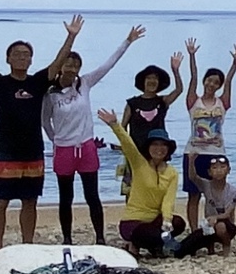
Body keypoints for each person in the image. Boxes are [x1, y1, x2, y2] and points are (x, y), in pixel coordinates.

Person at [0, 9, 81, 251]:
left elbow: (59, 60)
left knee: (30, 201)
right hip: (6, 153)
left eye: (26, 55)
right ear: (8, 59)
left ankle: (27, 246)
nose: (22, 58)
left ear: (31, 60)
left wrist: (71, 37)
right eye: (17, 54)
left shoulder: (38, 81)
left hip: (32, 152)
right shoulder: (0, 84)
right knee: (1, 201)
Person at [42, 25, 145, 245]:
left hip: (86, 147)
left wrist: (127, 41)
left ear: (79, 68)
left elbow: (109, 64)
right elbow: (45, 121)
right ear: (60, 66)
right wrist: (56, 140)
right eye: (67, 64)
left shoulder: (85, 83)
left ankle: (100, 238)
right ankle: (67, 238)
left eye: (75, 65)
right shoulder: (50, 94)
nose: (71, 68)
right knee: (65, 197)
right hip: (64, 150)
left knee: (92, 196)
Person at [98, 109, 185, 257]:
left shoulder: (172, 173)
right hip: (133, 222)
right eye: (155, 145)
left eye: (163, 145)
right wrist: (115, 124)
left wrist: (167, 221)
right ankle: (139, 244)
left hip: (155, 221)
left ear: (168, 149)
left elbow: (168, 201)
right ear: (148, 147)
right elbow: (128, 144)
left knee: (178, 223)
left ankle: (155, 245)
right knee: (144, 233)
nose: (159, 149)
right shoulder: (139, 163)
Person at [183, 37, 236, 233]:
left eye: (216, 82)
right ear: (205, 81)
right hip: (194, 153)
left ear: (219, 85)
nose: (212, 84)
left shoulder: (222, 102)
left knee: (218, 194)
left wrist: (235, 64)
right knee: (193, 194)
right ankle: (194, 232)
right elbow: (192, 77)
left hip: (216, 152)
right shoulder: (194, 101)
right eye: (209, 80)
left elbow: (230, 80)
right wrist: (192, 56)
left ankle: (225, 228)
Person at [119, 53, 185, 195]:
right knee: (132, 188)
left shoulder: (162, 102)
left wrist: (176, 71)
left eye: (155, 79)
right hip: (136, 151)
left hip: (158, 152)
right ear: (143, 81)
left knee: (157, 187)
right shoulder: (132, 103)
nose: (152, 81)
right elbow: (122, 127)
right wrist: (125, 146)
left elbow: (179, 90)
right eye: (149, 78)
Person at [185, 154, 236, 255]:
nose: (219, 171)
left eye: (222, 167)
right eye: (214, 168)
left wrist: (215, 218)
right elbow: (193, 177)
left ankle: (226, 245)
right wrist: (191, 160)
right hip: (208, 225)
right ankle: (210, 248)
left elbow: (227, 214)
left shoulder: (232, 191)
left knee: (220, 226)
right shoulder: (206, 185)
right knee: (187, 246)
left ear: (229, 170)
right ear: (209, 172)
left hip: (227, 226)